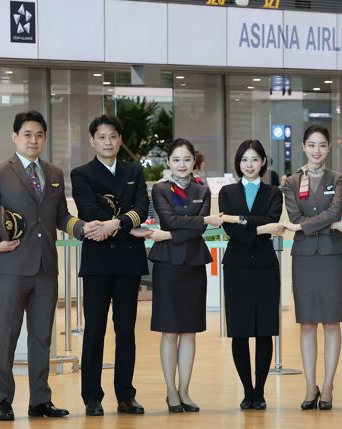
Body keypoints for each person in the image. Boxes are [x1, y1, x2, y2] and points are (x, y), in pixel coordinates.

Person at [0, 110, 100, 421]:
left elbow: (61, 217)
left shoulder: (55, 173)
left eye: (39, 135)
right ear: (15, 136)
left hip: (46, 268)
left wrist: (82, 228)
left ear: (45, 138)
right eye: (28, 134)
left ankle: (39, 401)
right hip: (13, 266)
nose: (33, 140)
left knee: (42, 337)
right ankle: (4, 401)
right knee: (6, 336)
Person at [70, 114, 154, 416]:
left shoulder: (134, 170)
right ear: (93, 141)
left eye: (113, 136)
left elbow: (141, 208)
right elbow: (88, 210)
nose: (108, 142)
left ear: (120, 140)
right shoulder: (81, 174)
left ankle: (125, 395)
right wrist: (119, 223)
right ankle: (92, 396)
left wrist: (114, 224)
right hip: (97, 262)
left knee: (126, 331)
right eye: (102, 137)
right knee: (94, 330)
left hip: (128, 261)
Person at [282, 125, 342, 411]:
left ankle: (327, 385)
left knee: (331, 322)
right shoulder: (290, 181)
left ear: (329, 148)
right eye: (312, 145)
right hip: (304, 256)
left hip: (330, 255)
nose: (317, 150)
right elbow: (293, 215)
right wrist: (331, 225)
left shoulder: (338, 179)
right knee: (306, 323)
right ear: (304, 147)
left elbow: (333, 209)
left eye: (322, 145)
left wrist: (308, 225)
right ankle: (309, 385)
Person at [149, 138, 224, 413]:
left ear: (195, 162)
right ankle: (170, 391)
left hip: (193, 264)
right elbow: (172, 220)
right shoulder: (159, 189)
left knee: (190, 331)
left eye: (187, 160)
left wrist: (175, 231)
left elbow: (197, 230)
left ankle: (185, 391)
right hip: (167, 265)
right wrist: (200, 220)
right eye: (176, 160)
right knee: (169, 331)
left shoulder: (202, 189)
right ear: (168, 162)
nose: (182, 165)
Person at [217, 139, 285, 410]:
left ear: (264, 162)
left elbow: (272, 220)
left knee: (265, 330)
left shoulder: (274, 193)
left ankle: (260, 390)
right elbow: (230, 230)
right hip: (236, 267)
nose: (249, 165)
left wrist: (242, 220)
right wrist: (259, 227)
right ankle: (247, 390)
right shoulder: (226, 192)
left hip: (266, 267)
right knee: (240, 331)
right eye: (245, 160)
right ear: (238, 163)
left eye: (255, 159)